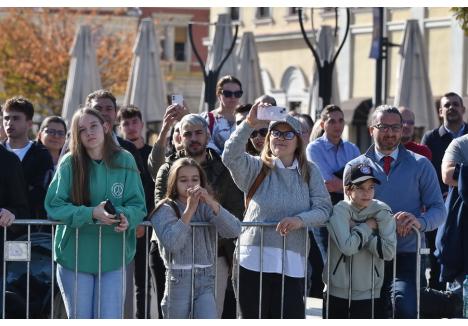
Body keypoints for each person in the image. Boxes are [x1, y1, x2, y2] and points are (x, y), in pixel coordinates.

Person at [222, 102, 332, 318]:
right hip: (252, 259)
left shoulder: (310, 171)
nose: (280, 137)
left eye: (288, 133)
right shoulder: (255, 166)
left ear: (298, 140)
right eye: (275, 132)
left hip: (292, 262)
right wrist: (249, 123)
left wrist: (300, 220)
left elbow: (324, 208)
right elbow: (230, 156)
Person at [344, 105, 446, 318]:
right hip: (366, 255)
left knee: (405, 309)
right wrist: (385, 221)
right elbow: (348, 214)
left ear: (402, 130)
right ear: (371, 129)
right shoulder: (354, 167)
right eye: (383, 127)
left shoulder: (421, 165)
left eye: (395, 127)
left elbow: (438, 208)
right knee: (369, 314)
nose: (390, 133)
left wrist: (419, 222)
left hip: (406, 255)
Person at [44, 107, 147, 319]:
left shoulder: (125, 160)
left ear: (106, 127)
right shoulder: (69, 163)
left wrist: (126, 216)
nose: (89, 132)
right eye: (82, 129)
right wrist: (91, 213)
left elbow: (138, 205)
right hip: (75, 255)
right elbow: (54, 206)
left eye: (93, 126)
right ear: (77, 135)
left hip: (114, 255)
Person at [152, 113, 244, 318]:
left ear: (208, 135)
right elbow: (172, 241)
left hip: (209, 270)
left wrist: (210, 203)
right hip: (177, 276)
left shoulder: (221, 169)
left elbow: (235, 228)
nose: (190, 184)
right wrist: (189, 211)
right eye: (183, 180)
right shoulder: (166, 196)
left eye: (194, 179)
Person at [324, 162, 396, 318]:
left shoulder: (382, 211)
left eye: (371, 187)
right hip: (336, 290)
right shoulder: (340, 210)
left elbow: (389, 252)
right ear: (348, 190)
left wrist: (360, 229)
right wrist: (367, 227)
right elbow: (348, 247)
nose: (367, 193)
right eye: (360, 187)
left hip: (369, 292)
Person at [421, 92, 466, 291]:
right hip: (439, 206)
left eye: (456, 104)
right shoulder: (431, 137)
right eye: (447, 105)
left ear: (463, 109)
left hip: (459, 207)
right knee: (438, 256)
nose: (452, 108)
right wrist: (439, 195)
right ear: (440, 111)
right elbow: (428, 172)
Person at [117, 105, 156, 319]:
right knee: (118, 279)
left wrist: (143, 220)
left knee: (143, 281)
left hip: (145, 226)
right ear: (120, 126)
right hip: (120, 223)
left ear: (141, 124)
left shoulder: (152, 154)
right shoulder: (117, 154)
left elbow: (153, 191)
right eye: (126, 123)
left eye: (134, 122)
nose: (131, 127)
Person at [2, 96, 54, 220]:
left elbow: (41, 191)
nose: (9, 123)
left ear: (29, 123)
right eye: (6, 118)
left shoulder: (41, 154)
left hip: (31, 226)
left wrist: (15, 210)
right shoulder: (1, 153)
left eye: (16, 118)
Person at [202, 75, 243, 154]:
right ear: (218, 94)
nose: (233, 97)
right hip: (214, 164)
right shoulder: (207, 119)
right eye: (228, 93)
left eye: (237, 93)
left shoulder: (247, 118)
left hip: (241, 165)